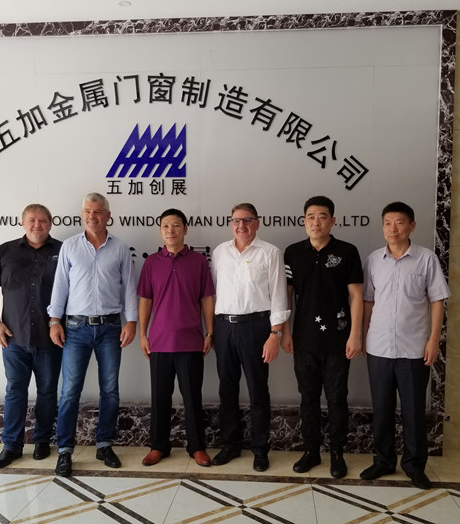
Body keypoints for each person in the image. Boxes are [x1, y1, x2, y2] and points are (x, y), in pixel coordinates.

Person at [360, 201, 450, 490]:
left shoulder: (426, 259)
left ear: (412, 226)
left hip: (414, 348)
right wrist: (364, 335)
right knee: (382, 409)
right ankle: (383, 461)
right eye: (387, 223)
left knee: (413, 411)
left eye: (399, 222)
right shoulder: (374, 260)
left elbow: (437, 301)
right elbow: (368, 301)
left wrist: (434, 340)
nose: (393, 228)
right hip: (379, 347)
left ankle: (414, 466)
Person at [48, 192, 138, 477]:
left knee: (110, 390)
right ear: (82, 214)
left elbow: (129, 287)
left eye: (98, 211)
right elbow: (60, 285)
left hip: (111, 327)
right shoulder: (70, 246)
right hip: (75, 329)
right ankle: (65, 451)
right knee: (70, 392)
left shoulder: (120, 248)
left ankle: (104, 444)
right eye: (87, 211)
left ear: (108, 216)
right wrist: (54, 320)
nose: (92, 216)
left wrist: (132, 321)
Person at [282, 196, 363, 478]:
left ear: (333, 221)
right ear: (304, 221)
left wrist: (355, 334)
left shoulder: (348, 251)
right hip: (303, 339)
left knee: (337, 398)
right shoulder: (293, 253)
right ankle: (311, 451)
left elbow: (356, 296)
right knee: (308, 398)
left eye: (322, 216)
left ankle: (337, 454)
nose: (316, 222)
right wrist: (285, 331)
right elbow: (286, 295)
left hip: (338, 340)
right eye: (311, 217)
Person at [0, 203, 63, 468]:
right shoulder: (5, 251)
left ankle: (42, 440)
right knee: (15, 391)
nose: (37, 225)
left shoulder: (63, 251)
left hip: (50, 338)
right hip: (13, 337)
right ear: (23, 223)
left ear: (50, 223)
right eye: (32, 220)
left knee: (47, 392)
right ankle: (12, 445)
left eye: (42, 220)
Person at [210, 203, 289, 472]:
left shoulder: (270, 253)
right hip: (224, 326)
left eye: (247, 220)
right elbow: (213, 293)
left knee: (257, 389)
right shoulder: (220, 252)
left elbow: (279, 295)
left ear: (257, 223)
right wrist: (212, 330)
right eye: (236, 221)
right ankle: (230, 445)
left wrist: (275, 334)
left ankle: (260, 448)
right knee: (227, 389)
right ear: (230, 223)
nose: (241, 225)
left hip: (256, 327)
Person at [137, 208, 216, 467]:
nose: (170, 230)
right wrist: (143, 334)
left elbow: (206, 298)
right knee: (160, 398)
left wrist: (210, 331)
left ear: (185, 229)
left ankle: (197, 447)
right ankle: (158, 446)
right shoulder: (151, 263)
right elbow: (145, 300)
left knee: (192, 398)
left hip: (191, 341)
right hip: (159, 342)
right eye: (165, 226)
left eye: (176, 225)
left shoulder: (199, 262)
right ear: (160, 230)